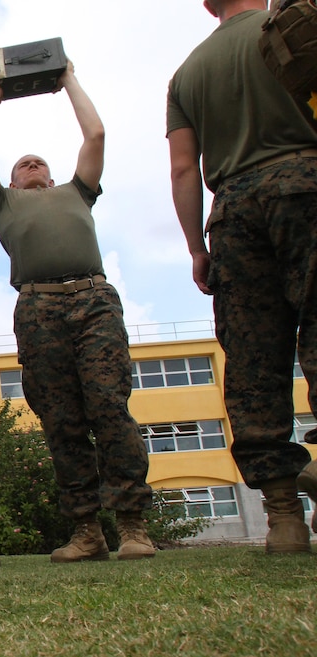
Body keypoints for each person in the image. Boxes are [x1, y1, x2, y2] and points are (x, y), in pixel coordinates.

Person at [0, 62, 155, 563]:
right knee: (62, 420)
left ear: (52, 177)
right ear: (9, 182)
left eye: (39, 163)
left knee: (108, 407)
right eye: (22, 164)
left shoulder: (76, 192)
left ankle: (133, 525)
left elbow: (95, 132)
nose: (31, 165)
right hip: (38, 307)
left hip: (94, 301)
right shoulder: (2, 204)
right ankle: (87, 531)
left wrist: (67, 78)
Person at [168, 0, 317, 552]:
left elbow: (183, 168)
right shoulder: (294, 27)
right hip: (307, 180)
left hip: (231, 210)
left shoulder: (187, 73)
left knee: (253, 360)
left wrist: (195, 247)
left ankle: (282, 517)